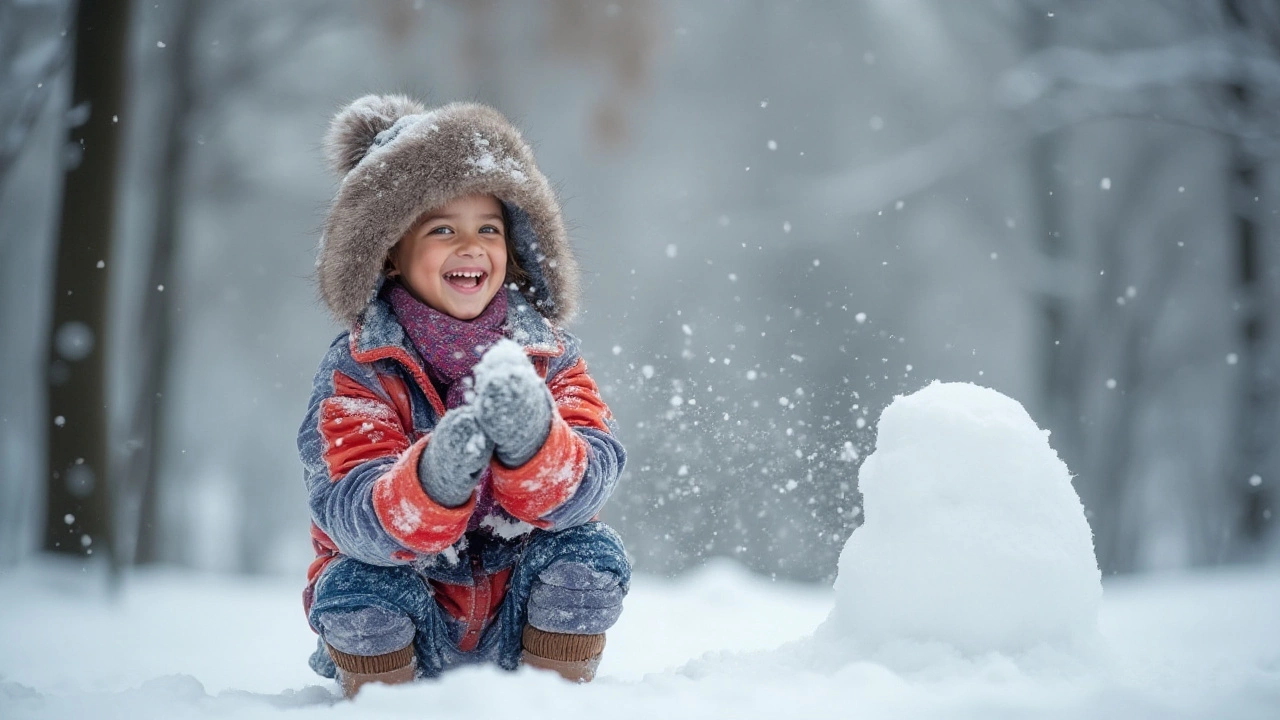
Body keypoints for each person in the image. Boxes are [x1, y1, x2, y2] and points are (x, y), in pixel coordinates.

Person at [298, 95, 629, 697]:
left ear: (515, 247)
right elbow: (349, 510)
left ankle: (550, 701)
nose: (470, 245)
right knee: (355, 588)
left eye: (489, 229)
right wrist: (432, 479)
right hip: (412, 611)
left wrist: (535, 444)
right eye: (442, 229)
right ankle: (386, 707)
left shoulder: (549, 356)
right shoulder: (360, 369)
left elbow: (591, 479)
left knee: (589, 553)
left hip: (517, 611)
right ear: (391, 254)